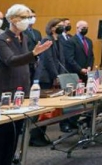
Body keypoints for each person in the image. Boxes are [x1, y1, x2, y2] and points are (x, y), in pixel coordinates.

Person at [0, 4, 52, 165]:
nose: (27, 21)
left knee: (14, 136)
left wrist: (34, 57)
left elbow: (25, 62)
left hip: (20, 90)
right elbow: (11, 60)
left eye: (28, 17)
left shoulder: (24, 37)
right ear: (12, 19)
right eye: (23, 17)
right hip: (3, 90)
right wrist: (34, 54)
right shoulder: (2, 38)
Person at [30, 18, 70, 146]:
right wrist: (56, 76)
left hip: (54, 76)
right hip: (45, 77)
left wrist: (61, 75)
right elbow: (48, 60)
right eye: (59, 25)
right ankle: (34, 137)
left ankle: (41, 135)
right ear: (52, 28)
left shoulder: (59, 40)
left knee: (48, 108)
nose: (62, 27)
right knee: (41, 108)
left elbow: (61, 59)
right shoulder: (46, 40)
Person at [24, 8, 42, 85]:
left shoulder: (37, 32)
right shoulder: (22, 31)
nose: (33, 19)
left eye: (34, 16)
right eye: (31, 17)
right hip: (26, 61)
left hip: (36, 63)